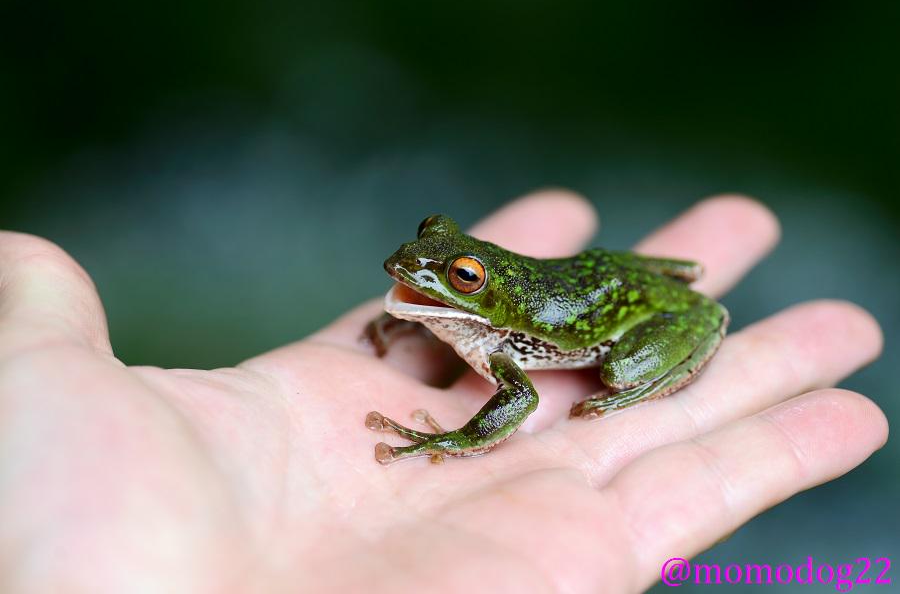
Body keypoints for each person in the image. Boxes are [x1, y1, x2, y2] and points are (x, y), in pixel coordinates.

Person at [0, 191, 885, 592]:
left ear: (484, 294)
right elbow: (427, 290)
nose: (419, 269)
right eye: (435, 251)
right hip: (597, 271)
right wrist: (412, 312)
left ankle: (636, 374)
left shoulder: (508, 344)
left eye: (454, 273)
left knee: (613, 374)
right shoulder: (454, 299)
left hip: (619, 312)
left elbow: (523, 398)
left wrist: (452, 439)